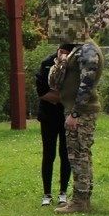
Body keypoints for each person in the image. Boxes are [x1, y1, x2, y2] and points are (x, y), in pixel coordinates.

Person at [47, 10, 104, 214]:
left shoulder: (88, 50)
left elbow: (86, 84)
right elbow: (57, 82)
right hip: (76, 109)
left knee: (78, 155)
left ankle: (80, 202)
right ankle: (82, 198)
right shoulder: (78, 49)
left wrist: (76, 113)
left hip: (81, 111)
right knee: (80, 154)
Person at [35, 45, 72, 207]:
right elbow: (42, 92)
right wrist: (62, 97)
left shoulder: (74, 64)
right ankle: (47, 194)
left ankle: (63, 192)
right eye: (62, 51)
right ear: (58, 49)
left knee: (66, 154)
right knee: (48, 154)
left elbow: (76, 89)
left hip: (66, 116)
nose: (64, 55)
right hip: (48, 116)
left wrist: (60, 97)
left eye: (68, 52)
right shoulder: (47, 63)